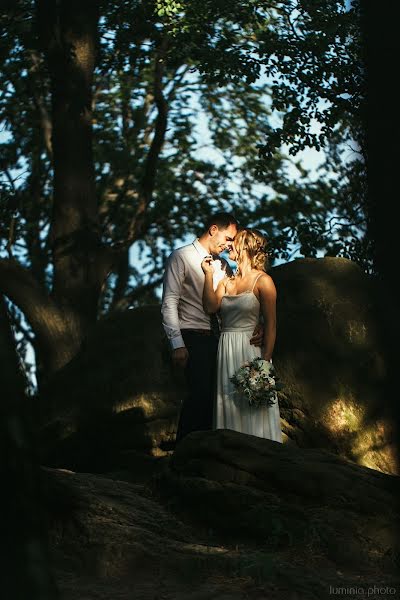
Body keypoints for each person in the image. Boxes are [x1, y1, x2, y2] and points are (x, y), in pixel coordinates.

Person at [161, 213, 263, 444]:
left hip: (220, 340)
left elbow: (237, 301)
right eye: (228, 238)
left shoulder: (224, 265)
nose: (229, 245)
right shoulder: (181, 257)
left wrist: (258, 323)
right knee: (200, 395)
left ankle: (205, 459)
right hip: (192, 336)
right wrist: (177, 344)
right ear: (213, 229)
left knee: (218, 401)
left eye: (232, 241)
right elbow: (169, 302)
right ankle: (182, 455)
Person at [201, 228, 283, 441]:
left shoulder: (264, 281)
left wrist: (263, 366)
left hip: (250, 351)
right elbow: (210, 306)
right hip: (226, 348)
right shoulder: (227, 282)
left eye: (234, 242)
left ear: (245, 247)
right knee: (228, 404)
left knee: (253, 409)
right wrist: (208, 275)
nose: (229, 245)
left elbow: (272, 325)